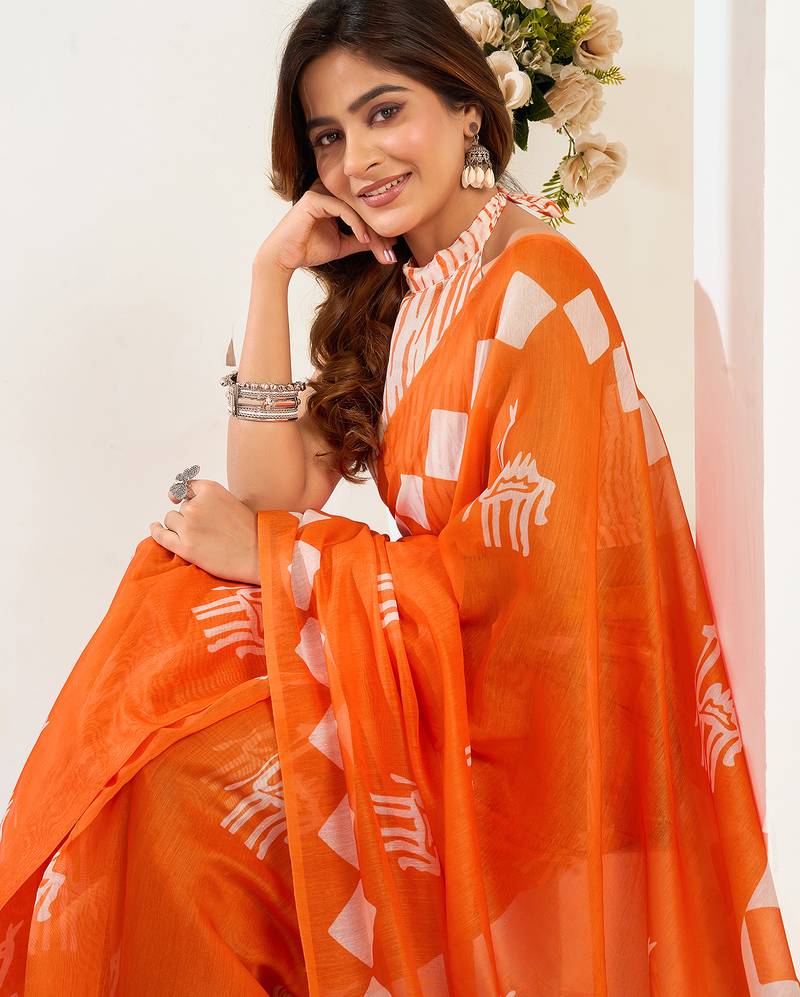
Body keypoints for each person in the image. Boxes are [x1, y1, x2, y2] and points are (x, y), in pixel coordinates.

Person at [1, 1, 797, 994]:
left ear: (467, 109)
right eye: (329, 137)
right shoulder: (410, 291)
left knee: (184, 790)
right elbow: (269, 487)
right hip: (436, 671)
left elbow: (524, 585)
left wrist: (282, 557)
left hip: (530, 716)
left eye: (384, 112)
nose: (358, 159)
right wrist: (269, 275)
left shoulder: (538, 284)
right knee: (167, 661)